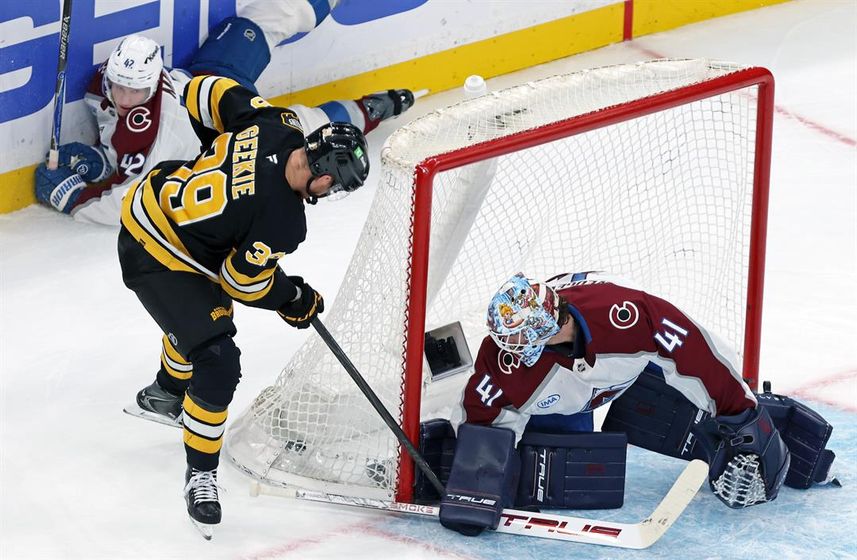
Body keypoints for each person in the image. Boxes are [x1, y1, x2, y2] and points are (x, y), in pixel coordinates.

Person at [117, 72, 369, 538]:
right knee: (217, 359)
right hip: (154, 253)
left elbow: (207, 91)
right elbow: (242, 282)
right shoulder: (285, 221)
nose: (328, 195)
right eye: (333, 188)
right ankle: (200, 475)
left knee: (207, 316)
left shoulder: (280, 123)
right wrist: (292, 296)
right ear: (325, 175)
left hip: (159, 197)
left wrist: (215, 149)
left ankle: (166, 394)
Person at [437, 271, 819, 536]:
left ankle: (762, 430)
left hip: (624, 372)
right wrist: (476, 481)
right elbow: (481, 416)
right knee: (553, 472)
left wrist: (740, 412)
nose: (508, 349)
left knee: (706, 398)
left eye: (517, 338)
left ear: (544, 328)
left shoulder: (625, 314)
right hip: (562, 401)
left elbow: (695, 350)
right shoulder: (501, 361)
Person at [34, 1, 414, 225]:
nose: (123, 96)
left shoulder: (157, 138)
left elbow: (128, 207)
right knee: (309, 121)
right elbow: (119, 133)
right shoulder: (108, 84)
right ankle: (370, 109)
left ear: (155, 80)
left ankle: (363, 111)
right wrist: (106, 161)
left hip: (232, 135)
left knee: (304, 125)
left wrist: (75, 201)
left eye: (135, 90)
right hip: (210, 92)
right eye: (118, 85)